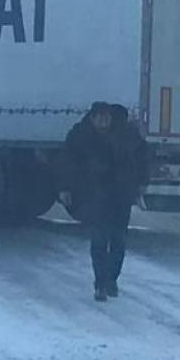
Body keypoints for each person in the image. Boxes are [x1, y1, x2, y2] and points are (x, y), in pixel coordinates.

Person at [63, 102, 147, 301]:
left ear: (111, 118)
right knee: (99, 241)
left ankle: (111, 280)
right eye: (98, 117)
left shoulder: (127, 135)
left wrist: (142, 183)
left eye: (106, 117)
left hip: (121, 195)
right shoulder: (81, 135)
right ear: (91, 118)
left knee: (118, 241)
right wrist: (65, 187)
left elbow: (143, 158)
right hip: (96, 196)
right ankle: (101, 282)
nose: (102, 121)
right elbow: (66, 162)